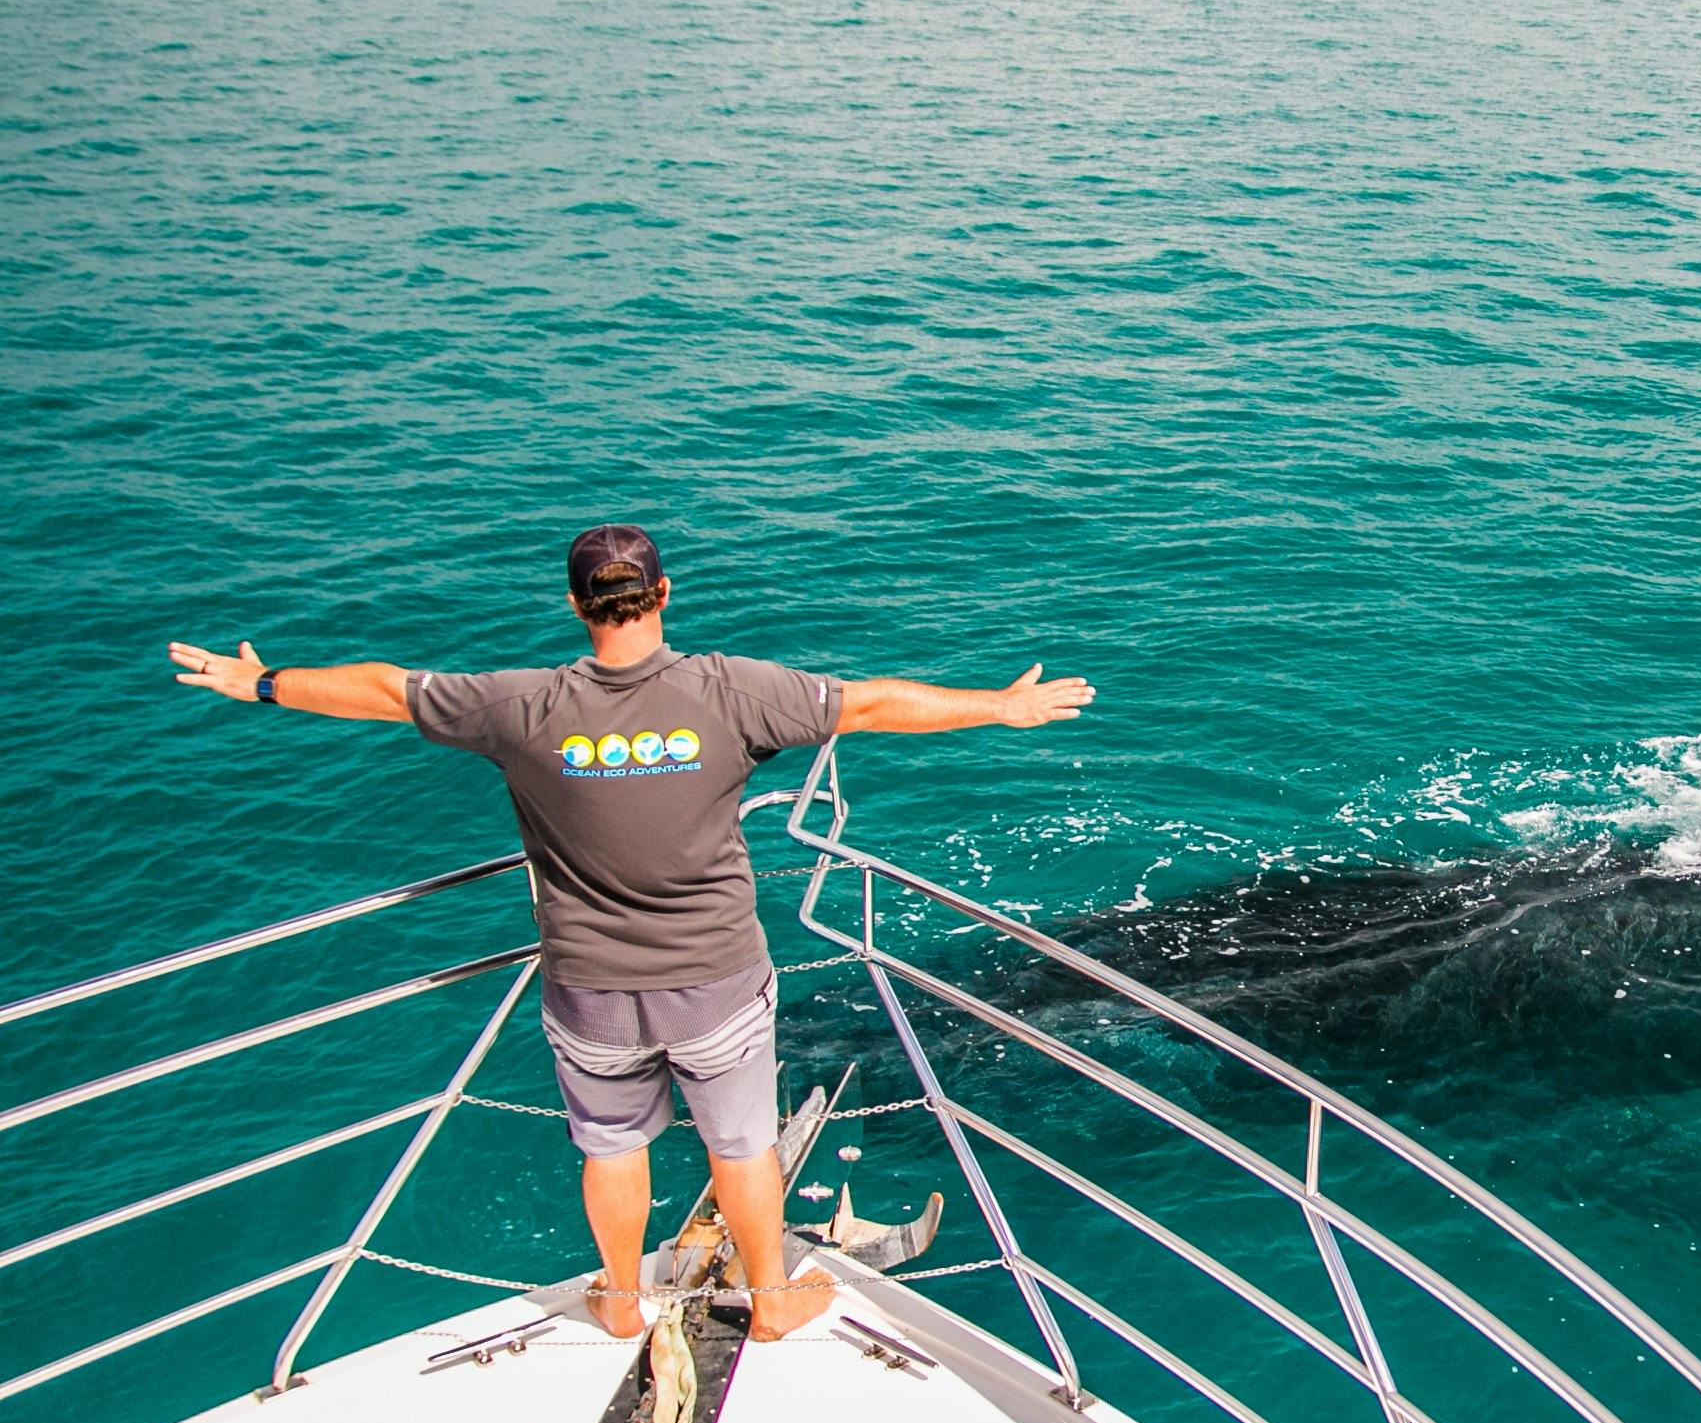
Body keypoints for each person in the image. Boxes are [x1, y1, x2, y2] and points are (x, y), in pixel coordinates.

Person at [166, 524, 1095, 1340]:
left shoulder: (519, 705)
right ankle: (770, 1299)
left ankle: (618, 1299)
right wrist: (999, 705)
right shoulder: (731, 691)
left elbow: (382, 689)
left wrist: (262, 683)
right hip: (717, 978)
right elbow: (869, 703)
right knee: (742, 1146)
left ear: (577, 604)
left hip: (590, 988)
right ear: (663, 594)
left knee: (611, 1147)